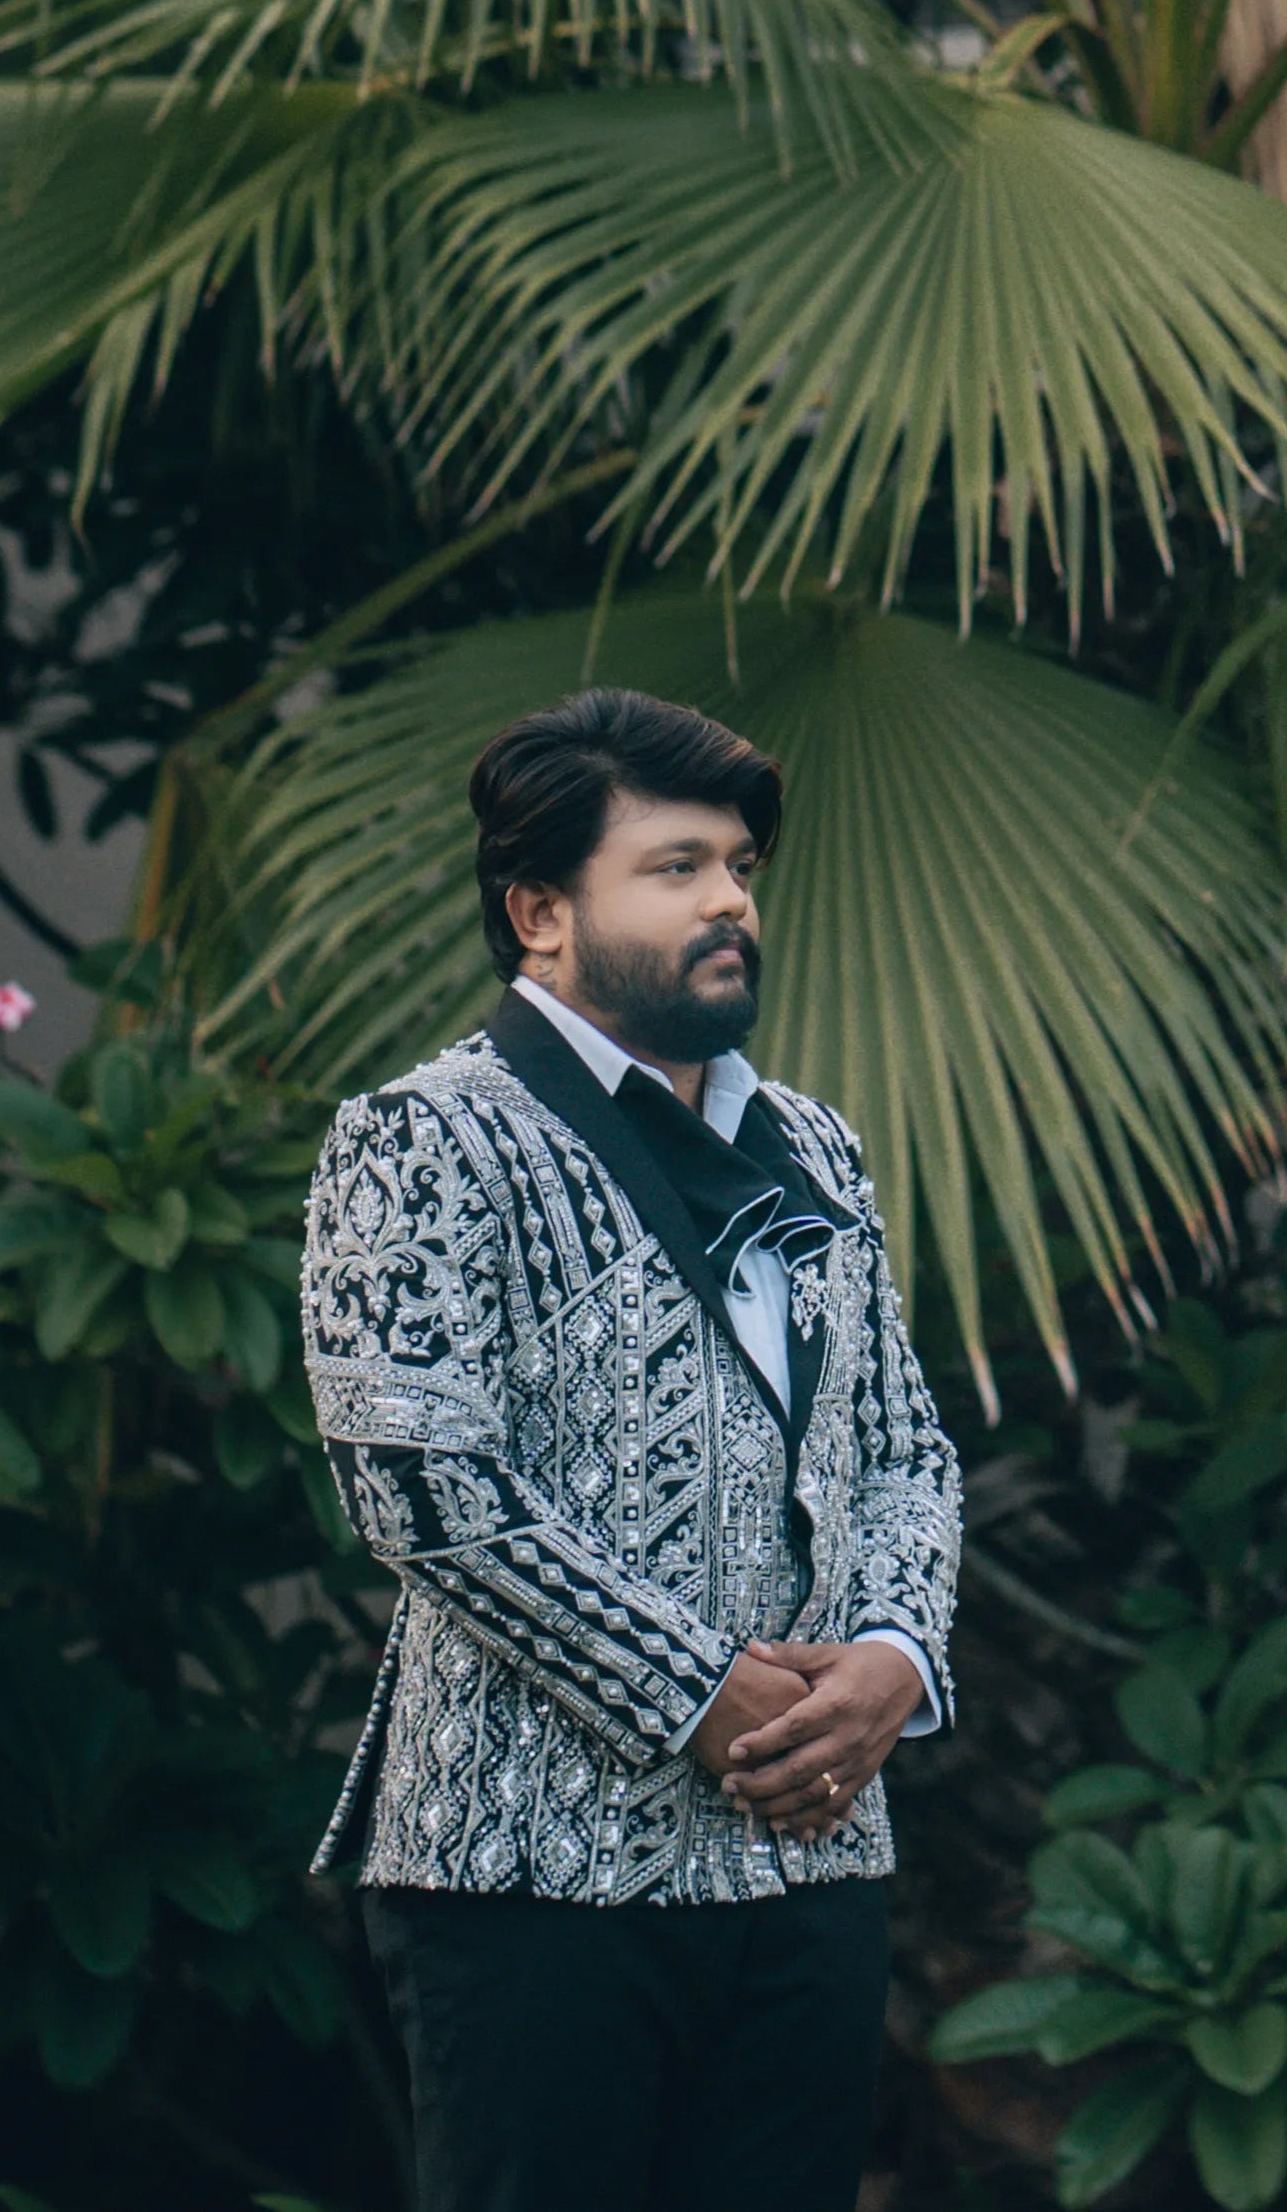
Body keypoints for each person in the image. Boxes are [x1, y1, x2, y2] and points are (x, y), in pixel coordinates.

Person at [299, 688, 964, 2212]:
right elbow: (424, 1488)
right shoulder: (422, 1136)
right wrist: (700, 1692)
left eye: (737, 863)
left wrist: (889, 1658)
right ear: (540, 912)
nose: (732, 896)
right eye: (676, 866)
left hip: (809, 1864)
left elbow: (903, 1450)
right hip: (533, 1873)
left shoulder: (816, 1141)